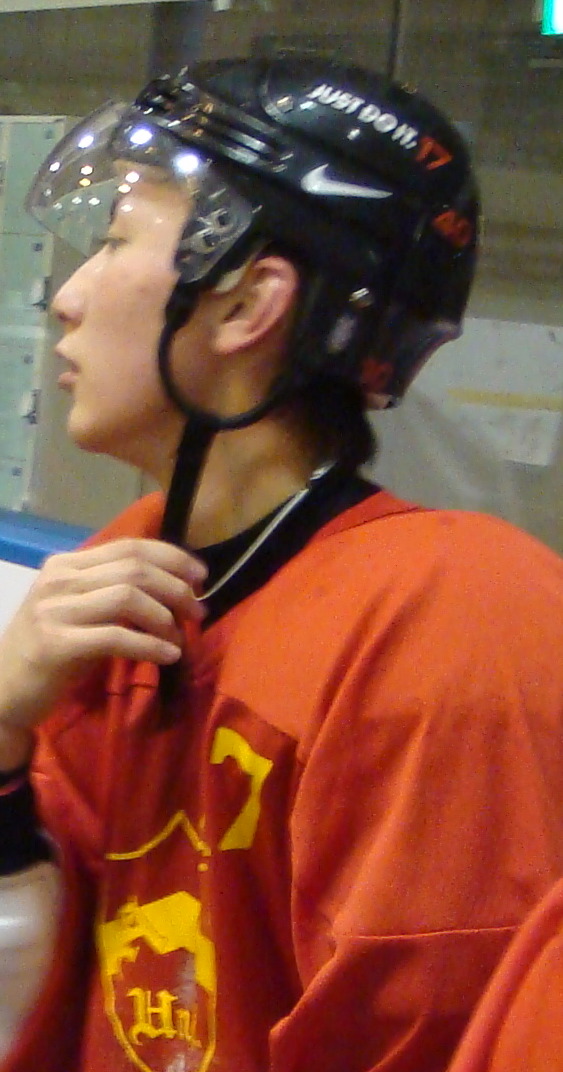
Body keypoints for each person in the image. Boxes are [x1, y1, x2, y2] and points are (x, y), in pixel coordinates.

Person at [0, 51, 561, 1072]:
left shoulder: (453, 615)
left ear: (247, 305)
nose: (68, 296)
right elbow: (33, 997)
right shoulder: (124, 569)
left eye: (116, 241)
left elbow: (440, 1028)